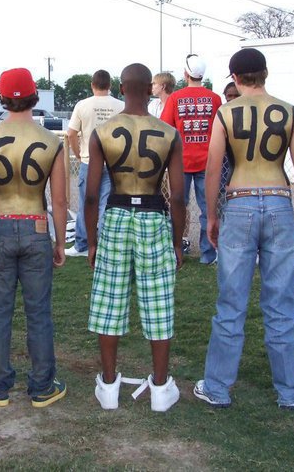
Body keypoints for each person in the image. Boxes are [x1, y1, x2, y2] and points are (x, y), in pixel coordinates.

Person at [193, 48, 294, 410]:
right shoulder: (288, 110)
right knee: (280, 302)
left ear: (234, 77)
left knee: (231, 300)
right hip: (277, 198)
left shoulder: (225, 112)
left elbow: (213, 168)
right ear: (265, 73)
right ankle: (291, 390)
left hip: (240, 200)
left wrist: (212, 215)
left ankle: (217, 387)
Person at [87, 63, 185, 412]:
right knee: (158, 300)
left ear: (122, 88)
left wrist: (92, 240)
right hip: (153, 215)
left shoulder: (103, 132)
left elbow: (90, 195)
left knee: (109, 300)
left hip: (115, 214)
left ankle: (109, 384)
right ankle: (160, 388)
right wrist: (177, 240)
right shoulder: (168, 133)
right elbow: (178, 196)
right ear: (149, 89)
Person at [0, 67, 68, 408]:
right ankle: (42, 385)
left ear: (0, 99)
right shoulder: (52, 141)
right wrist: (59, 242)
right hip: (36, 225)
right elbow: (58, 200)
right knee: (38, 311)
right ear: (35, 97)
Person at [161, 54, 222, 265]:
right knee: (209, 209)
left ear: (186, 73)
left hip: (180, 162)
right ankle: (208, 254)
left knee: (177, 207)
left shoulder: (175, 98)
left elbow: (165, 128)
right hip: (208, 162)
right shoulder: (214, 99)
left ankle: (174, 250)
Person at [65, 70, 125, 257]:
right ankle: (106, 244)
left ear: (92, 85)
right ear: (110, 85)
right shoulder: (120, 105)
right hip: (113, 162)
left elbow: (71, 133)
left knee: (86, 204)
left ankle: (82, 244)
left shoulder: (82, 105)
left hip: (89, 161)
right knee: (107, 205)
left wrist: (78, 152)